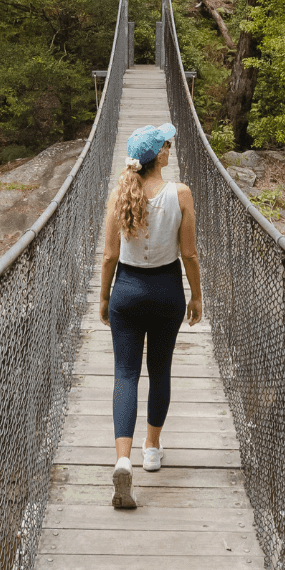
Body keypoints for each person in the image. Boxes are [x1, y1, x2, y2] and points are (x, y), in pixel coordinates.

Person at [99, 122, 203, 510]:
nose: (170, 147)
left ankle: (122, 459)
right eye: (167, 144)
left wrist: (104, 297)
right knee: (160, 370)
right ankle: (152, 449)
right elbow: (189, 254)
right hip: (165, 292)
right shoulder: (181, 194)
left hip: (126, 290)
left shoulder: (120, 194)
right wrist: (196, 296)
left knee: (125, 373)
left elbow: (109, 256)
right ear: (158, 154)